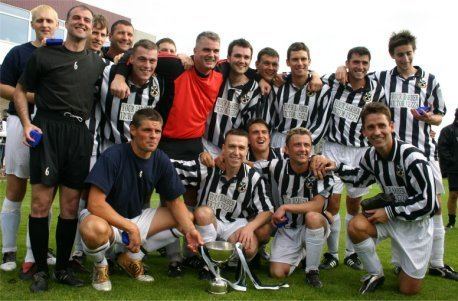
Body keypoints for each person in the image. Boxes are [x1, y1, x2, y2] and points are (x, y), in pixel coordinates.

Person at [335, 30, 456, 280]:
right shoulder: (381, 78)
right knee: (397, 199)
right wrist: (340, 68)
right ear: (392, 55)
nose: (405, 58)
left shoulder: (429, 81)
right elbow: (356, 75)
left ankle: (437, 262)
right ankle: (398, 260)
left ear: (414, 52)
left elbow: (440, 115)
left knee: (433, 206)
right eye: (400, 54)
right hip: (390, 153)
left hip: (422, 150)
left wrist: (428, 117)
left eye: (409, 53)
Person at [14, 5, 108, 292]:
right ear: (67, 23)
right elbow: (20, 90)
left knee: (69, 207)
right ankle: (41, 270)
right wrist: (27, 124)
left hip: (80, 133)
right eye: (77, 18)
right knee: (41, 204)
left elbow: (126, 64)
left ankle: (64, 268)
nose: (82, 23)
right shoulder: (43, 54)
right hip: (49, 129)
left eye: (87, 20)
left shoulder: (98, 62)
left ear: (92, 28)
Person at [78, 108, 202, 291]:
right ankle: (100, 266)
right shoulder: (113, 155)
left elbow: (176, 202)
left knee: (186, 219)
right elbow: (95, 203)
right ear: (133, 130)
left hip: (136, 217)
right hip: (105, 218)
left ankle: (131, 259)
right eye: (147, 130)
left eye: (157, 131)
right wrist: (129, 227)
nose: (153, 136)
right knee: (92, 229)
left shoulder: (160, 158)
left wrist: (191, 231)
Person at [320, 102, 438, 294]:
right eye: (370, 127)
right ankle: (375, 273)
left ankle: (404, 264)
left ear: (391, 126)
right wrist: (335, 167)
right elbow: (360, 178)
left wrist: (390, 211)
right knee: (356, 226)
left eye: (381, 126)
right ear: (364, 132)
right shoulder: (370, 156)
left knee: (408, 290)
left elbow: (429, 203)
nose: (377, 132)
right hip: (390, 216)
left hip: (415, 224)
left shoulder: (412, 158)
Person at [0, 4, 58, 275]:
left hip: (53, 129)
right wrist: (34, 98)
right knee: (15, 188)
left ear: (57, 25)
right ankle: (8, 249)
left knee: (44, 192)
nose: (45, 25)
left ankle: (38, 249)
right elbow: (2, 86)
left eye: (50, 21)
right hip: (18, 123)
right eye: (41, 21)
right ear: (33, 23)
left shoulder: (62, 54)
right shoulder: (19, 52)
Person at [319, 47, 385, 271]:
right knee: (333, 203)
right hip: (333, 147)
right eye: (356, 62)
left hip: (360, 151)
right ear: (347, 63)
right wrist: (336, 70)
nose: (360, 67)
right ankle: (332, 254)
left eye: (365, 63)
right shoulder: (336, 80)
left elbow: (384, 113)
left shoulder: (375, 88)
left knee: (355, 204)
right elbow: (312, 76)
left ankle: (351, 254)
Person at [173, 129, 273, 270]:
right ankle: (207, 263)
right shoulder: (208, 167)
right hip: (207, 222)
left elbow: (267, 211)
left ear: (247, 151)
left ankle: (226, 261)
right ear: (224, 148)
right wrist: (200, 156)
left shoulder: (253, 177)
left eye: (241, 148)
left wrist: (249, 228)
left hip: (234, 225)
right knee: (203, 212)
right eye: (232, 146)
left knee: (249, 249)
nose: (236, 152)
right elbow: (175, 169)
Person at [255, 127, 334, 288]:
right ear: (286, 149)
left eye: (307, 145)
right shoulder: (275, 167)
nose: (303, 149)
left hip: (311, 225)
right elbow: (250, 166)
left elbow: (318, 205)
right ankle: (303, 254)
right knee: (276, 273)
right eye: (297, 145)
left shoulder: (320, 169)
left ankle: (312, 271)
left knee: (312, 216)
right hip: (288, 229)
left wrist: (285, 207)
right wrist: (223, 159)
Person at [203, 38, 261, 156]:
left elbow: (249, 126)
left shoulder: (254, 89)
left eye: (246, 57)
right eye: (238, 56)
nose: (242, 61)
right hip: (203, 144)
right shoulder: (216, 78)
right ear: (228, 58)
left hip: (231, 152)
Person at [270, 42, 332, 148]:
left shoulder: (322, 89)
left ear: (309, 61)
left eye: (303, 59)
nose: (300, 63)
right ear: (288, 62)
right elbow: (270, 117)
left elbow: (320, 124)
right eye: (295, 59)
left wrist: (304, 143)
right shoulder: (278, 85)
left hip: (304, 144)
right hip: (279, 141)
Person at [438, 108, 458, 229]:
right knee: (454, 194)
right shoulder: (448, 130)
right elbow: (442, 148)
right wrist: (452, 161)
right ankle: (451, 222)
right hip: (454, 169)